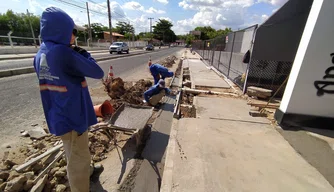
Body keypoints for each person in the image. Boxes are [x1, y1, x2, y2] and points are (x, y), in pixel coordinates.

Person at [33, 7, 104, 192]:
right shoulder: (65, 53)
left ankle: (88, 170)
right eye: (72, 32)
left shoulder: (41, 53)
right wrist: (82, 53)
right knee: (77, 160)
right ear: (61, 31)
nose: (74, 36)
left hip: (58, 113)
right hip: (73, 116)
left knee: (75, 151)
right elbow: (97, 72)